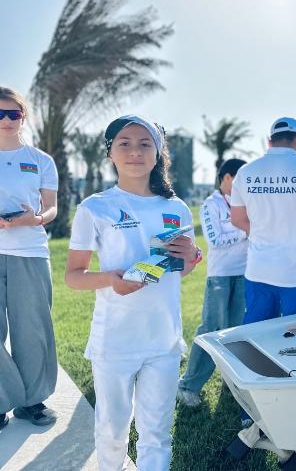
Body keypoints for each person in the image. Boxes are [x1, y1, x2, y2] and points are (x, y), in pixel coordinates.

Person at [65, 115, 200, 470]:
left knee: (157, 432)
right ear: (110, 153)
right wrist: (112, 279)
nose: (135, 152)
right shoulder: (95, 208)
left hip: (163, 340)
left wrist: (190, 258)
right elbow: (74, 277)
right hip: (115, 341)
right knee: (112, 430)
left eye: (145, 144)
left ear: (158, 153)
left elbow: (179, 269)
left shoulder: (176, 208)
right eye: (125, 143)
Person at [230, 117, 296, 323]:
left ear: (270, 141)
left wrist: (263, 232)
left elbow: (237, 219)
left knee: (258, 335)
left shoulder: (245, 172)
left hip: (259, 270)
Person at [0, 87, 59, 429]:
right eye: (0, 113)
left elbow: (51, 208)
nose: (6, 120)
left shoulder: (41, 160)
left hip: (30, 252)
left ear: (23, 117)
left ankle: (31, 403)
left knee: (32, 330)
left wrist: (34, 219)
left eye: (13, 113)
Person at [177, 158, 248, 407]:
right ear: (227, 177)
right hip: (220, 275)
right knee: (211, 328)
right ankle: (188, 386)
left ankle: (235, 383)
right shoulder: (211, 204)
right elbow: (215, 239)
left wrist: (243, 228)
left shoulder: (246, 203)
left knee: (237, 330)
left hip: (245, 274)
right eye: (241, 179)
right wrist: (245, 230)